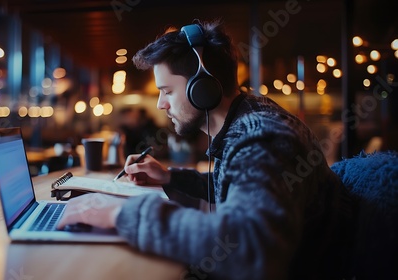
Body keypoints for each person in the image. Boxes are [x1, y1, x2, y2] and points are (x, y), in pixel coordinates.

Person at [57, 20, 354, 279]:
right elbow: (246, 188)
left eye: (167, 91)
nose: (161, 104)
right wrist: (171, 178)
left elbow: (250, 247)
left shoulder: (261, 138)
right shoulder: (250, 119)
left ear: (202, 88)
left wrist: (122, 213)